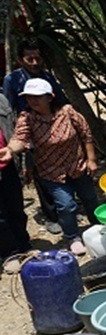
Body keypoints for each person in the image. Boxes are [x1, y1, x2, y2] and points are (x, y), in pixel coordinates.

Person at [3, 78, 98, 255]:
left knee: (90, 198)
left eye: (37, 96)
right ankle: (72, 236)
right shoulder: (27, 118)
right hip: (51, 171)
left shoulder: (67, 112)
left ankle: (98, 227)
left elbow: (86, 135)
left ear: (50, 97)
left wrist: (91, 160)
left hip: (77, 165)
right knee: (66, 205)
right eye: (29, 97)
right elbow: (20, 139)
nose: (32, 100)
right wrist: (10, 150)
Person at [3, 38, 68, 234]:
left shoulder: (47, 76)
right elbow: (8, 108)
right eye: (29, 59)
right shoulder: (12, 80)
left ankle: (65, 206)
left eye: (37, 58)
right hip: (30, 132)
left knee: (58, 167)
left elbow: (60, 100)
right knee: (39, 172)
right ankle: (51, 216)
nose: (34, 63)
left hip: (54, 129)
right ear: (20, 60)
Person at [0, 108, 30, 260]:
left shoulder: (2, 102)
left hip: (7, 165)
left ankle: (24, 245)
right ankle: (10, 253)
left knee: (16, 208)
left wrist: (12, 150)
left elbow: (15, 131)